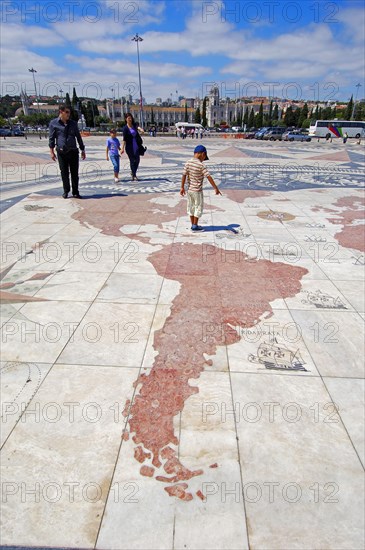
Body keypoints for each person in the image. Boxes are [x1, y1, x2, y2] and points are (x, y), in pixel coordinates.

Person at [180, 145, 221, 232]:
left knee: (191, 207)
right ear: (203, 154)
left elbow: (184, 175)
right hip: (197, 191)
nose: (203, 159)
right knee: (198, 207)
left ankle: (193, 224)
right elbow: (208, 176)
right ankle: (195, 226)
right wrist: (216, 188)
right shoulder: (201, 165)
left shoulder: (188, 162)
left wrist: (182, 187)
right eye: (204, 157)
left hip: (190, 190)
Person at [49, 104, 86, 198]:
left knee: (74, 173)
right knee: (64, 173)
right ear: (61, 112)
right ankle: (66, 190)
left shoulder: (73, 123)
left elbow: (78, 136)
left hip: (73, 151)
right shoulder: (53, 123)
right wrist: (51, 151)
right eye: (67, 112)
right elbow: (51, 138)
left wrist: (82, 149)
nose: (68, 114)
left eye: (69, 112)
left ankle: (75, 192)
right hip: (61, 152)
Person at [121, 112, 144, 181]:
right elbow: (124, 139)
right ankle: (134, 175)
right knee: (132, 160)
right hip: (129, 146)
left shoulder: (134, 125)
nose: (130, 119)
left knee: (137, 160)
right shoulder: (125, 128)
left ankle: (133, 172)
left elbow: (138, 127)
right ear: (126, 119)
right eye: (128, 118)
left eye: (130, 118)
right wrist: (122, 148)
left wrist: (141, 129)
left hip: (136, 145)